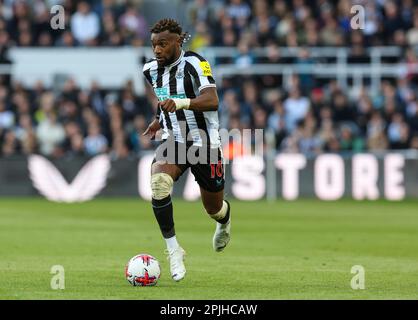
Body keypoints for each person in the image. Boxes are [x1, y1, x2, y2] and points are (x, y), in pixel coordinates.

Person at [141, 18, 231, 282]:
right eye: (154, 45)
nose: (157, 50)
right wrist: (159, 118)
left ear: (178, 41)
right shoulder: (149, 70)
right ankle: (173, 250)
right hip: (174, 140)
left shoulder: (195, 62)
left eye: (163, 44)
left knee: (213, 208)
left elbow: (212, 100)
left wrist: (179, 104)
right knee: (159, 184)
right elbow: (163, 96)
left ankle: (224, 222)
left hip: (205, 143)